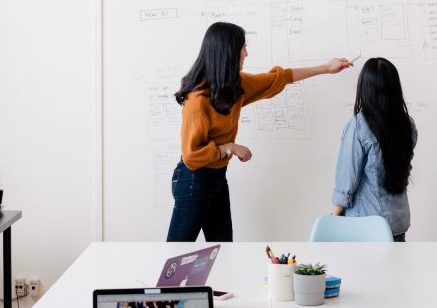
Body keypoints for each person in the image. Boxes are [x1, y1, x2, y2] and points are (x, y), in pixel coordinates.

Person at [167, 22, 351, 242]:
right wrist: (229, 148)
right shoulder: (197, 100)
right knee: (177, 256)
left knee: (223, 251)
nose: (246, 53)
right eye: (243, 47)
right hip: (192, 181)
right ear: (228, 52)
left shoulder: (234, 86)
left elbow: (279, 78)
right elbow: (191, 156)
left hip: (216, 178)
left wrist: (325, 68)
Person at [331, 57, 417, 242]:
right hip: (398, 223)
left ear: (365, 88)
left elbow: (346, 183)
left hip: (365, 226)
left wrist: (332, 220)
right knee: (394, 271)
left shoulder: (358, 126)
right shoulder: (407, 125)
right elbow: (404, 171)